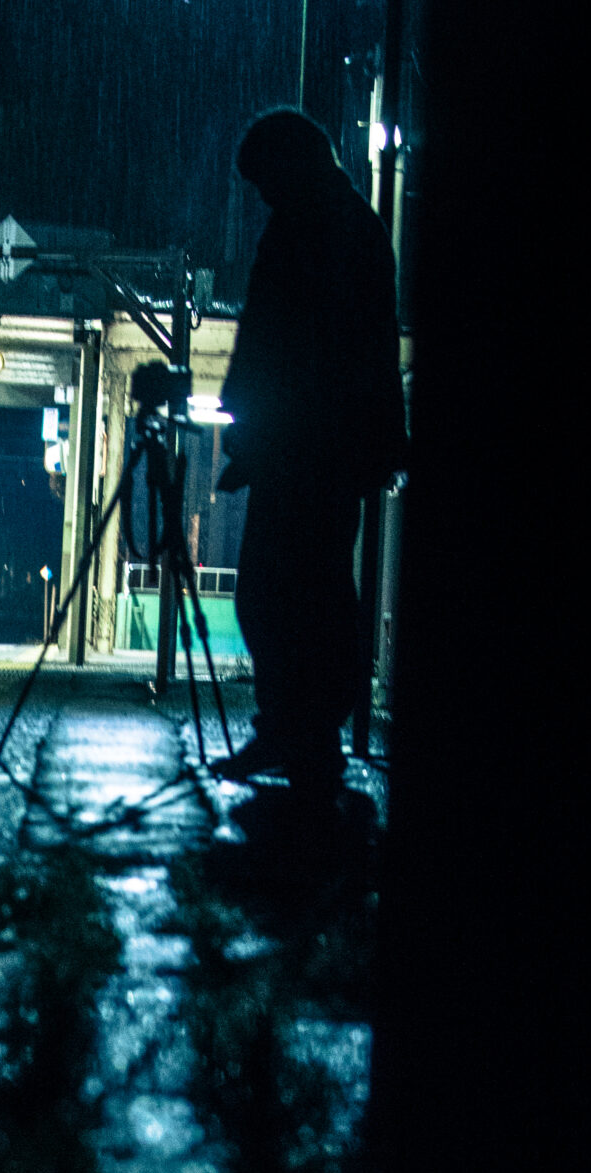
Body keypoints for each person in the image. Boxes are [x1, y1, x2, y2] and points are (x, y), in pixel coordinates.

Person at [213, 109, 408, 798]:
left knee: (277, 592)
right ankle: (304, 733)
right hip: (326, 449)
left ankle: (297, 733)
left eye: (265, 180)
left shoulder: (307, 229)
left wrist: (250, 423)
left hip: (301, 449)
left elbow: (275, 341)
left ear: (288, 166)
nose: (263, 195)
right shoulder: (351, 226)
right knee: (313, 592)